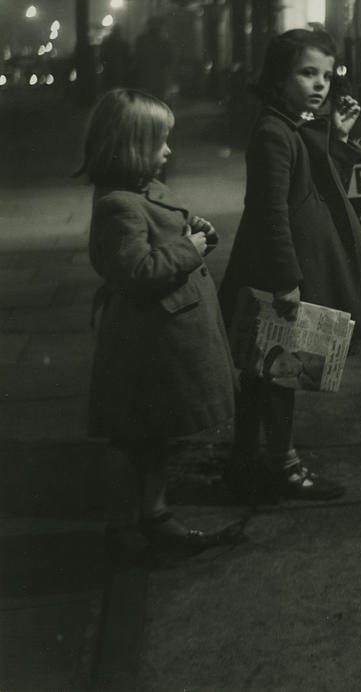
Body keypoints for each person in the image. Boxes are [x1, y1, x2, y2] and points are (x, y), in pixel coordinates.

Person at [76, 88, 243, 562]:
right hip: (143, 342)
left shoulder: (141, 191)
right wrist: (189, 246)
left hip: (158, 334)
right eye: (159, 143)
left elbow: (164, 231)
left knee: (153, 434)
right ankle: (126, 526)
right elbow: (138, 271)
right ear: (129, 147)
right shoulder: (118, 206)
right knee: (133, 437)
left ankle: (154, 513)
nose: (168, 151)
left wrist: (190, 231)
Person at [219, 27, 361, 502]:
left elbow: (323, 187)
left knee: (262, 369)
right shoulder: (274, 132)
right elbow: (270, 211)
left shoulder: (291, 127)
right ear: (278, 78)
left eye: (327, 74)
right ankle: (281, 465)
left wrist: (340, 138)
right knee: (277, 369)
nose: (320, 84)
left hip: (285, 267)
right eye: (307, 73)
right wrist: (287, 279)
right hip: (278, 272)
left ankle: (247, 460)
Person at [134, 16, 174, 100]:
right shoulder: (164, 43)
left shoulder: (141, 41)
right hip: (158, 79)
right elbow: (169, 62)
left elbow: (136, 59)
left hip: (145, 78)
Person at [98, 25, 131, 92]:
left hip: (110, 73)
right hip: (119, 73)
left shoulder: (107, 43)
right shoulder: (123, 44)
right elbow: (128, 60)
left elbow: (102, 57)